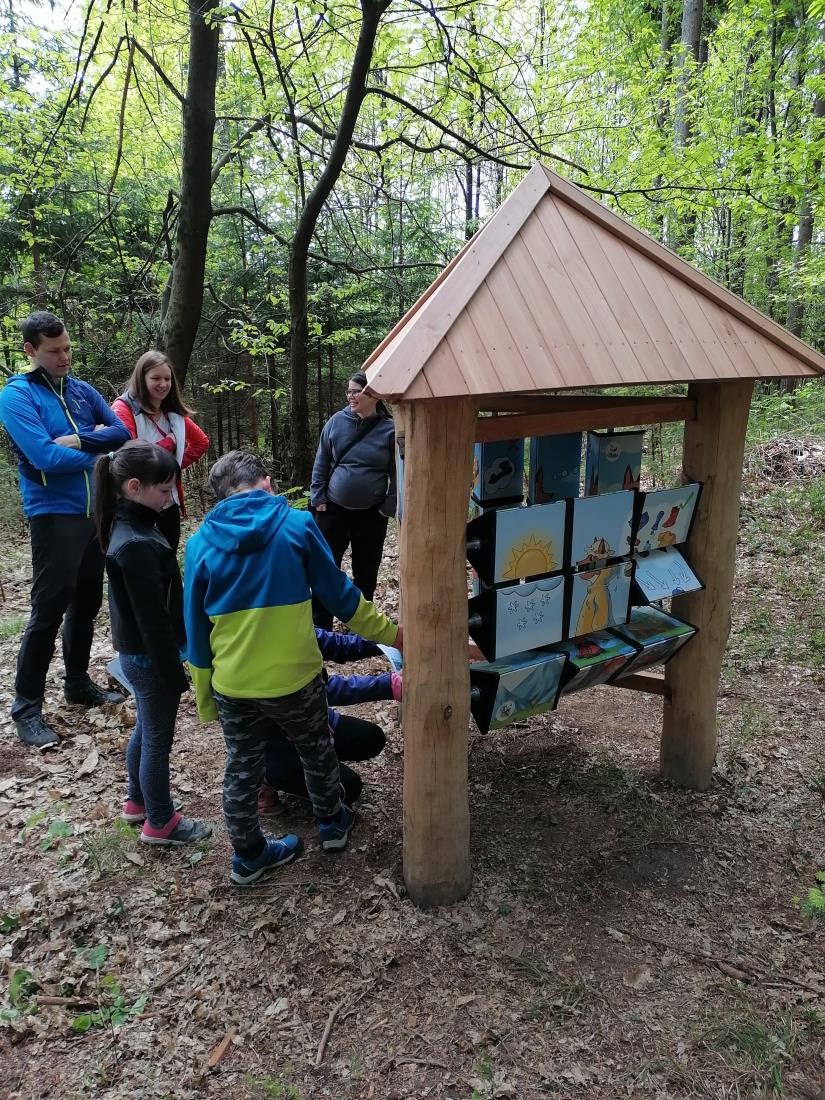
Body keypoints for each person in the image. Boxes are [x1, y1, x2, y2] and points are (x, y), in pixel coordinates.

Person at [184, 450, 402, 886]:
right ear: (267, 482)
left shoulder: (198, 544)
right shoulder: (297, 525)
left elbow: (195, 630)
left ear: (221, 496)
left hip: (233, 683)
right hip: (295, 680)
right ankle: (332, 825)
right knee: (316, 750)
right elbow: (342, 598)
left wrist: (206, 700)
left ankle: (248, 856)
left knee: (242, 768)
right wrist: (393, 635)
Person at [0, 311, 130, 748]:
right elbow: (44, 457)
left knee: (87, 602)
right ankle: (26, 708)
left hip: (96, 513)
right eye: (54, 351)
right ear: (30, 350)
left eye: (68, 348)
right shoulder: (17, 395)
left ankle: (76, 683)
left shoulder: (81, 390)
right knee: (48, 610)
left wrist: (79, 441)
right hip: (53, 514)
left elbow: (121, 431)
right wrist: (102, 457)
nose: (64, 357)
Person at [95, 440, 212, 847]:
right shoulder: (137, 544)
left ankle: (138, 801)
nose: (170, 498)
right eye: (164, 490)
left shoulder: (134, 526)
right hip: (149, 658)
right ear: (134, 487)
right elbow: (152, 620)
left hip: (140, 655)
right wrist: (171, 671)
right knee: (157, 740)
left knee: (146, 730)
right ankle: (161, 821)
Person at [259, 626, 402, 812]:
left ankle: (320, 764)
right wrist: (386, 685)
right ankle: (265, 779)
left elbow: (335, 644)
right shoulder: (256, 645)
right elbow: (318, 692)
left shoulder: (287, 619)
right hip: (280, 750)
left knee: (370, 738)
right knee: (348, 789)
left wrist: (387, 637)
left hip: (314, 726)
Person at [310, 370, 396, 630]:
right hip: (333, 509)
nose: (351, 396)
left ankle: (360, 628)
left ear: (374, 395)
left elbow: (397, 471)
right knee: (325, 568)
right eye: (349, 391)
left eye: (356, 391)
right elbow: (322, 460)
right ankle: (322, 628)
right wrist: (318, 497)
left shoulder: (389, 429)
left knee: (366, 573)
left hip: (371, 514)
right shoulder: (336, 422)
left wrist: (388, 506)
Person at [111, 350, 209, 551]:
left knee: (168, 558)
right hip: (135, 503)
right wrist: (169, 443)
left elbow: (201, 442)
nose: (163, 384)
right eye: (156, 378)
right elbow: (129, 456)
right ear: (142, 379)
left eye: (167, 378)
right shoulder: (124, 409)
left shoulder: (173, 413)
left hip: (168, 502)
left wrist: (170, 470)